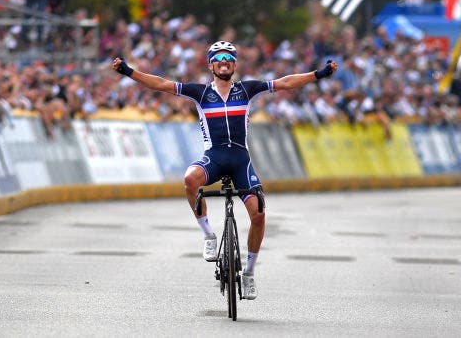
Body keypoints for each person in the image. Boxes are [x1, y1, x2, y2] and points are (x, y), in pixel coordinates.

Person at [111, 40, 338, 301]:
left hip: (241, 161)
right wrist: (128, 71)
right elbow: (161, 84)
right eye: (218, 59)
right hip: (214, 159)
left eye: (228, 58)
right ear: (210, 66)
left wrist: (319, 74)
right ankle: (208, 234)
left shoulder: (247, 89)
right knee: (189, 179)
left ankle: (249, 273)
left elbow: (285, 82)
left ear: (234, 64)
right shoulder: (200, 93)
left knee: (259, 215)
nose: (223, 62)